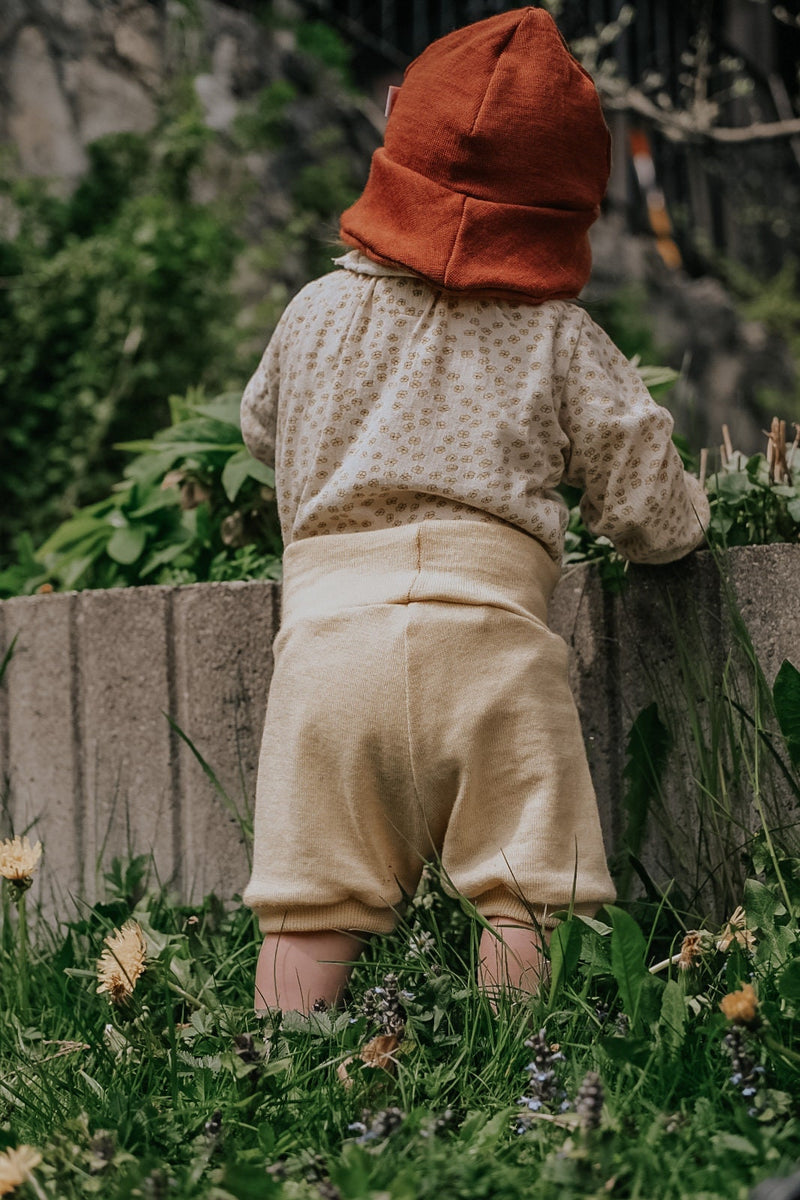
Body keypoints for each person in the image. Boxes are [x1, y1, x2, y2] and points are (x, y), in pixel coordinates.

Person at [241, 6, 709, 1013]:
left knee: (308, 899)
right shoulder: (555, 336)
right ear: (568, 205)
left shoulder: (312, 313)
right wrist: (678, 533)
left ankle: (272, 1076)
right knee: (526, 886)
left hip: (325, 653)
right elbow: (644, 498)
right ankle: (513, 1071)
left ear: (393, 150)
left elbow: (261, 432)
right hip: (488, 648)